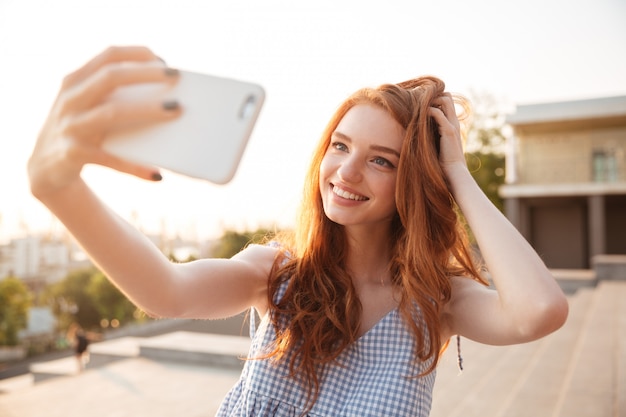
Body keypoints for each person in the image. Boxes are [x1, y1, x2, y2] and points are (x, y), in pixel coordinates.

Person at [27, 46, 568, 416]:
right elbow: (165, 291)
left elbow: (540, 311)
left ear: (413, 183)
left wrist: (456, 173)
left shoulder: (436, 302)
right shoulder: (278, 273)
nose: (347, 173)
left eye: (382, 161)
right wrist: (59, 188)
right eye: (340, 145)